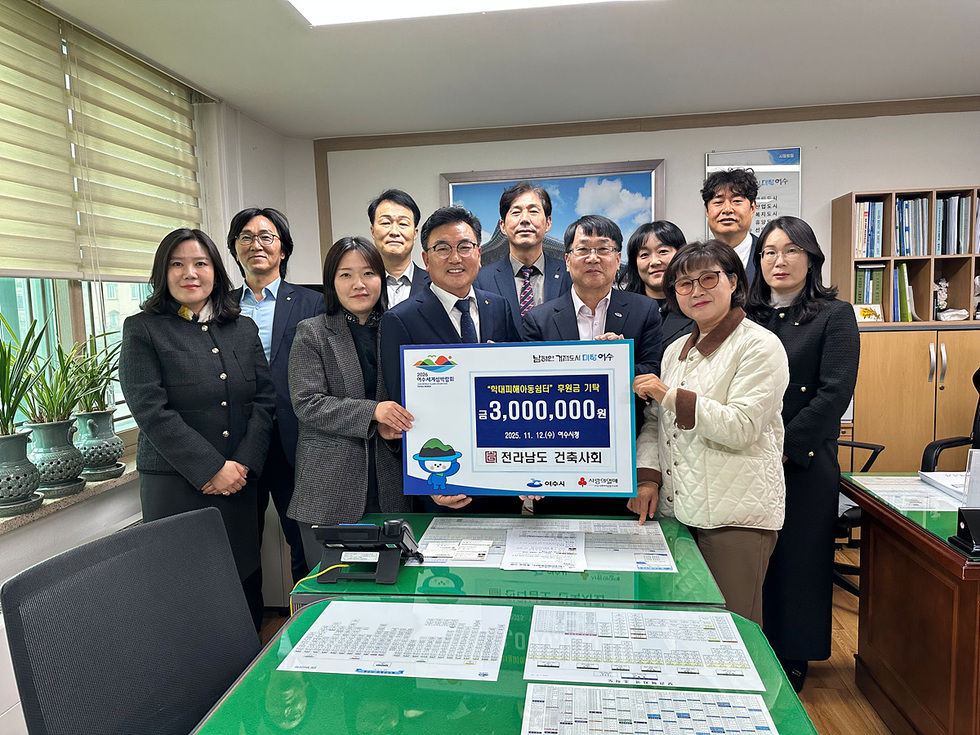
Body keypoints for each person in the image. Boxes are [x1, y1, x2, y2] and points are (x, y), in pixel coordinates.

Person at [119, 228, 276, 631]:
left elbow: (265, 399)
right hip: (177, 483)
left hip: (239, 481)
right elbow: (151, 411)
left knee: (243, 583)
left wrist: (242, 463)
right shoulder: (143, 329)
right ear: (163, 273)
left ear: (216, 272)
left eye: (200, 263)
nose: (190, 273)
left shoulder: (241, 328)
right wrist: (210, 468)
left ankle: (248, 678)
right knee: (183, 594)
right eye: (177, 264)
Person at [632, 240, 788, 626]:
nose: (696, 290)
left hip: (735, 518)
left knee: (733, 631)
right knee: (688, 627)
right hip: (679, 512)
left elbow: (740, 427)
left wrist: (668, 395)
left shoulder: (760, 345)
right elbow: (656, 423)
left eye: (708, 278)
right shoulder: (676, 351)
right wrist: (648, 479)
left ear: (734, 281)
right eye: (683, 284)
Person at [747, 215, 860, 692]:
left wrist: (786, 448)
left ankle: (794, 654)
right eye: (769, 251)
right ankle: (752, 646)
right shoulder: (747, 315)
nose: (779, 260)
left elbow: (834, 393)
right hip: (748, 457)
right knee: (757, 560)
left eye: (791, 250)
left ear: (811, 257)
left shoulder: (834, 314)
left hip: (804, 459)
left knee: (799, 558)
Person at [380, 205, 521, 514]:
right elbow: (400, 409)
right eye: (442, 249)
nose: (455, 258)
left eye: (464, 247)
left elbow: (517, 387)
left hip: (500, 475)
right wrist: (430, 484)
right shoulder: (400, 319)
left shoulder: (498, 307)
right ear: (426, 259)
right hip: (442, 484)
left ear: (479, 254)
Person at [287, 237, 415, 569]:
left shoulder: (398, 329)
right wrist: (373, 412)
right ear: (332, 282)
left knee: (393, 589)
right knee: (333, 596)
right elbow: (307, 403)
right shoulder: (312, 332)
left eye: (369, 273)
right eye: (345, 275)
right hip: (329, 488)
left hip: (391, 485)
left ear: (381, 280)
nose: (358, 284)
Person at [524, 214, 663, 516]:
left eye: (603, 249)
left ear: (617, 258)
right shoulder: (540, 318)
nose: (593, 258)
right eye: (583, 249)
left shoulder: (644, 309)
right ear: (567, 259)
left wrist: (616, 363)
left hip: (624, 459)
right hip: (558, 464)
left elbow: (653, 371)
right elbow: (531, 391)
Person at [227, 207, 324, 588]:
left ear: (283, 249)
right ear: (235, 249)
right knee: (240, 546)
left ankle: (308, 622)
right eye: (246, 237)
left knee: (303, 541)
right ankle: (248, 638)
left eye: (267, 237)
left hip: (295, 440)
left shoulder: (311, 302)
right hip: (237, 444)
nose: (257, 245)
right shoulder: (221, 307)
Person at [474, 181, 571, 338]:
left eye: (533, 211)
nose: (525, 219)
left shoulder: (570, 275)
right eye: (516, 212)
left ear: (548, 223)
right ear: (503, 226)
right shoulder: (481, 280)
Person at [618, 220, 694, 347]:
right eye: (644, 255)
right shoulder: (620, 310)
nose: (654, 262)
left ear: (681, 255)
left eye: (663, 251)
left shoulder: (697, 304)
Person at [368, 189, 430, 307]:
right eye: (386, 223)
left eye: (403, 224)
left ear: (415, 233)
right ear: (372, 232)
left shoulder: (435, 284)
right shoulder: (361, 286)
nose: (395, 232)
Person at [701, 168, 760, 281]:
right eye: (718, 202)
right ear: (707, 211)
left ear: (752, 208)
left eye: (736, 201)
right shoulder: (696, 261)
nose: (727, 209)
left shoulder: (768, 256)